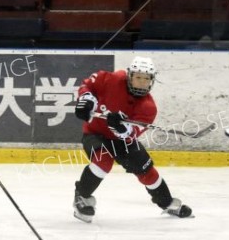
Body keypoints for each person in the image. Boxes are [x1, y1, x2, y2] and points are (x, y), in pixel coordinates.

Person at [72, 56, 193, 223]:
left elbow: (132, 133)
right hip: (95, 133)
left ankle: (166, 203)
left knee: (146, 170)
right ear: (129, 76)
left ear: (152, 80)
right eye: (138, 77)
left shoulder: (148, 107)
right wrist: (85, 99)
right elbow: (88, 85)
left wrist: (122, 127)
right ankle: (82, 197)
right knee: (103, 161)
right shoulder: (111, 79)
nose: (142, 82)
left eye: (146, 79)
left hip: (122, 141)